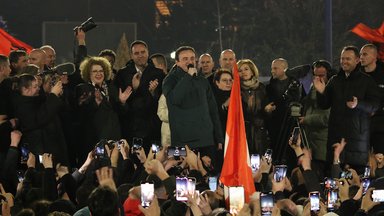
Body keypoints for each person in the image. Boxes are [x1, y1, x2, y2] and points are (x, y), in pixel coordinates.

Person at [313, 46, 381, 171]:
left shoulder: (367, 81)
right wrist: (321, 92)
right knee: (332, 180)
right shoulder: (335, 80)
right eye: (342, 58)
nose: (344, 61)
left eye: (348, 59)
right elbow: (324, 105)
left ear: (357, 60)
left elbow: (375, 105)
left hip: (357, 142)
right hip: (335, 139)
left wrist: (358, 104)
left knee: (355, 182)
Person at [162, 46, 223, 165]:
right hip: (180, 141)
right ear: (177, 62)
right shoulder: (169, 80)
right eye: (185, 59)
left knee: (208, 177)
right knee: (181, 180)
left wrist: (219, 137)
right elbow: (175, 99)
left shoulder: (202, 80)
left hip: (206, 139)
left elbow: (213, 109)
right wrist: (188, 77)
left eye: (192, 58)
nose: (189, 62)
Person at [114, 40, 164, 151]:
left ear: (148, 52)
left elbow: (163, 102)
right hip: (131, 129)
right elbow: (118, 104)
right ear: (131, 55)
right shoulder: (122, 74)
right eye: (136, 53)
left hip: (153, 130)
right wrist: (132, 92)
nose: (140, 55)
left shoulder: (159, 74)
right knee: (133, 162)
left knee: (153, 162)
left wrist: (153, 92)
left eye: (143, 52)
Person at [13, 73, 69, 164]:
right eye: (35, 86)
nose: (38, 89)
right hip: (39, 152)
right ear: (25, 89)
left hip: (51, 147)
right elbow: (41, 118)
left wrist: (54, 93)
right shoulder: (22, 106)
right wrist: (53, 94)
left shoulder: (36, 100)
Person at [76, 57, 123, 164]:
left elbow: (121, 113)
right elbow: (80, 114)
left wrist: (122, 102)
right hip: (94, 138)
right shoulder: (83, 88)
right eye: (95, 71)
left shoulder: (112, 88)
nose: (98, 74)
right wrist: (96, 104)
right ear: (88, 73)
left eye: (101, 71)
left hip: (114, 136)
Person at [299, 60, 333, 180]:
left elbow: (328, 118)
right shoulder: (312, 90)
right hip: (310, 141)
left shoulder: (331, 91)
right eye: (315, 75)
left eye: (321, 75)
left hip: (323, 143)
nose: (318, 78)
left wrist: (306, 120)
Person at [265, 58, 301, 158]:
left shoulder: (295, 86)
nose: (272, 71)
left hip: (290, 124)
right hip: (275, 126)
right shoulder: (269, 87)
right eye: (272, 68)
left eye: (275, 68)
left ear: (285, 69)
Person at [238, 59, 269, 155]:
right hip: (243, 131)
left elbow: (266, 108)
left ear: (252, 71)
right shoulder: (236, 88)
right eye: (240, 70)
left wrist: (267, 110)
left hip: (260, 131)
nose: (243, 72)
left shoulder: (261, 87)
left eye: (246, 69)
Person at [360, 44, 384, 155]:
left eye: (365, 54)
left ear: (374, 56)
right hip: (360, 123)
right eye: (360, 54)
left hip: (380, 122)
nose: (361, 57)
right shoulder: (356, 74)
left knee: (380, 156)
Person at [212, 68, 233, 172]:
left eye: (230, 80)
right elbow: (214, 116)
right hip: (218, 140)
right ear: (217, 82)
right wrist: (225, 105)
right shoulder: (211, 97)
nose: (228, 83)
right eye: (225, 80)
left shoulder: (237, 96)